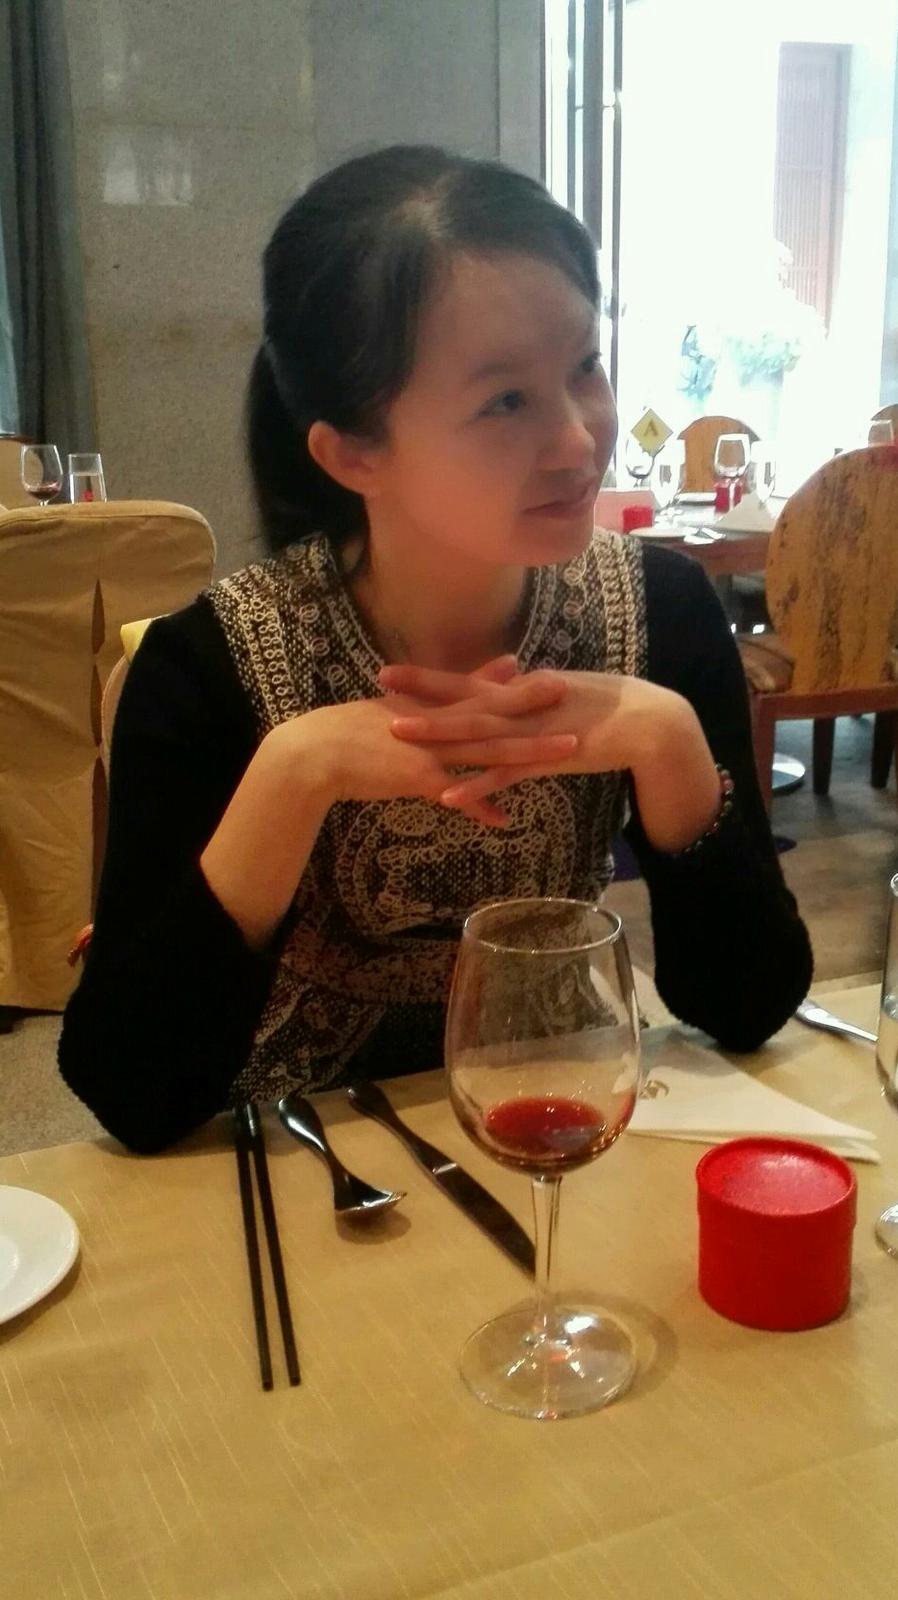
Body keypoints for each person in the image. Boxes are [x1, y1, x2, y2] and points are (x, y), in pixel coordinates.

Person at [58, 145, 812, 1153]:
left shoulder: (660, 615)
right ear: (351, 451)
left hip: (560, 1133)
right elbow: (130, 1092)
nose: (578, 441)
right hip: (305, 1167)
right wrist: (297, 771)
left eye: (583, 366)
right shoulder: (208, 668)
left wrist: (669, 741)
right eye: (505, 401)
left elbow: (748, 1006)